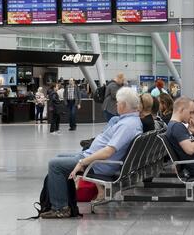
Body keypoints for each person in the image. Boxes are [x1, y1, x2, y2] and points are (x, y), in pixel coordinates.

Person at [41, 87, 142, 219]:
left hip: (98, 164)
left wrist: (83, 162)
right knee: (59, 158)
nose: (116, 105)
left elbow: (107, 152)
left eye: (117, 102)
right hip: (94, 158)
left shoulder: (126, 126)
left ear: (123, 105)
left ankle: (60, 208)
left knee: (55, 164)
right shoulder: (131, 121)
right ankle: (65, 202)